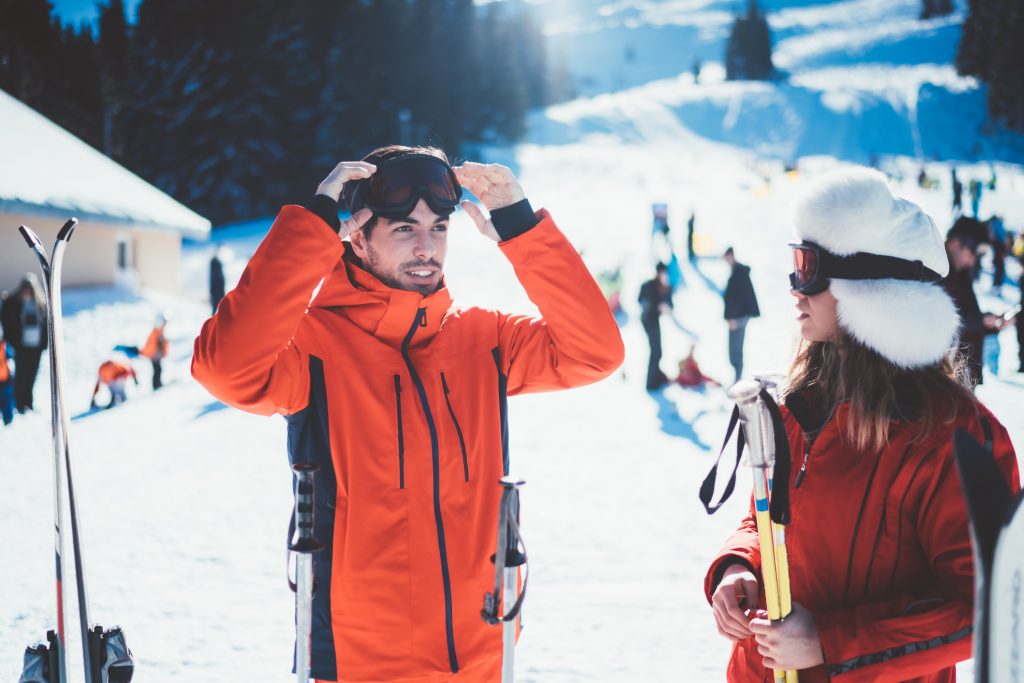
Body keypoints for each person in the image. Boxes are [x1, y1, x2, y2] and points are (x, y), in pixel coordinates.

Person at [192, 145, 624, 683]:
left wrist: (521, 228)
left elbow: (596, 353)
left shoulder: (485, 338)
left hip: (486, 656)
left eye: (438, 228)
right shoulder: (315, 349)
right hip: (357, 663)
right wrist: (312, 230)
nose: (426, 247)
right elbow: (223, 369)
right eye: (403, 229)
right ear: (357, 236)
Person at [706, 167, 1020, 682]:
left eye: (809, 270)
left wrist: (829, 641)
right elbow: (768, 518)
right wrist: (738, 566)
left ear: (871, 290)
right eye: (794, 263)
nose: (794, 290)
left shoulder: (955, 436)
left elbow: (986, 607)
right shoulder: (799, 402)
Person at [940, 217, 1009, 386]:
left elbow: (966, 318)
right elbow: (940, 319)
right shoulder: (935, 273)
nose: (972, 262)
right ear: (955, 243)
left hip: (960, 377)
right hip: (944, 381)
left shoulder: (960, 274)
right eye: (973, 252)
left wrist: (986, 323)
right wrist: (980, 320)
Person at [1, 274, 48, 413]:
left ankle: (28, 402)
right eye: (25, 288)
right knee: (20, 374)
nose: (27, 292)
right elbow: (7, 321)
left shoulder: (40, 304)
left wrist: (44, 343)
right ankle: (19, 403)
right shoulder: (14, 304)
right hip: (20, 346)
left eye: (29, 289)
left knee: (31, 374)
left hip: (36, 347)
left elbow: (45, 325)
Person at [723, 247, 760, 383]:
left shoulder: (739, 273)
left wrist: (733, 318)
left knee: (736, 349)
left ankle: (737, 378)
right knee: (733, 350)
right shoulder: (736, 272)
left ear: (731, 256)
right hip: (735, 318)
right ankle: (737, 376)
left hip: (738, 318)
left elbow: (739, 298)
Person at [638, 262, 673, 390]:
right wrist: (655, 305)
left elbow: (670, 305)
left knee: (658, 350)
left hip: (655, 319)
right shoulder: (649, 285)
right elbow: (641, 299)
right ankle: (651, 382)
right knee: (655, 351)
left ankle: (656, 375)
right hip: (648, 319)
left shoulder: (666, 287)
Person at [140, 313, 169, 390]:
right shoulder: (155, 333)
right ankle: (156, 385)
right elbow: (152, 345)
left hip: (156, 355)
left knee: (158, 369)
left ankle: (158, 384)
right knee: (157, 370)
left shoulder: (158, 332)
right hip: (154, 356)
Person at [0, 322, 14, 426]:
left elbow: (10, 359)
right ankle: (8, 418)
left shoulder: (4, 346)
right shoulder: (4, 346)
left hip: (5, 379)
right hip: (4, 378)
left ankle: (8, 419)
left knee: (6, 400)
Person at [209, 247, 226, 316]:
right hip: (216, 290)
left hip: (219, 289)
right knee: (216, 308)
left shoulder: (218, 262)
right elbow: (215, 278)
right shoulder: (214, 262)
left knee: (219, 308)